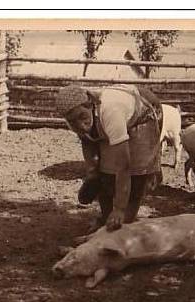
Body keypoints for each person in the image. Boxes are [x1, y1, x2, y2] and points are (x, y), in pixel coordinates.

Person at [56, 84, 163, 231]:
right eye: (73, 121)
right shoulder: (74, 118)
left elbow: (123, 165)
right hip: (116, 117)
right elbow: (87, 140)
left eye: (82, 117)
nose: (80, 124)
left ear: (90, 105)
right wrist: (92, 173)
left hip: (144, 113)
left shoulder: (111, 112)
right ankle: (106, 219)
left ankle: (124, 223)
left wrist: (119, 208)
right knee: (105, 173)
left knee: (136, 173)